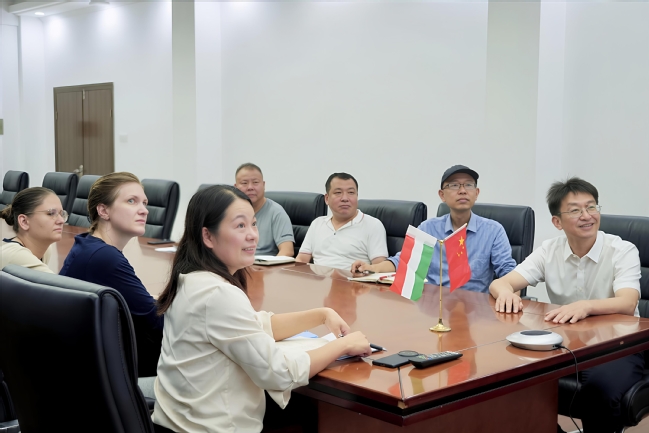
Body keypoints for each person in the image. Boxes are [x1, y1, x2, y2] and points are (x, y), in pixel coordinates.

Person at [153, 185, 370, 433]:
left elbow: (256, 325)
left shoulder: (191, 279)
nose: (253, 235)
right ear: (208, 236)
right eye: (240, 226)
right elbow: (279, 373)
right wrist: (343, 345)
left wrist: (321, 315)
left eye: (253, 224)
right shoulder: (217, 294)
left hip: (176, 423)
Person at [489, 177, 644, 433]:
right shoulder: (549, 250)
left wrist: (586, 306)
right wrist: (506, 293)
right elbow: (501, 283)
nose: (587, 216)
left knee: (600, 387)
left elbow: (628, 303)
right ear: (557, 222)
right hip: (565, 344)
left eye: (591, 207)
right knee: (513, 379)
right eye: (575, 210)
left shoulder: (622, 250)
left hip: (618, 346)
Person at [59, 172, 163, 378]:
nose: (144, 210)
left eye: (144, 203)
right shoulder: (104, 257)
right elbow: (156, 321)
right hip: (100, 376)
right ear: (103, 210)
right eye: (131, 201)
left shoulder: (87, 244)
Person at [352, 165, 516, 293]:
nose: (462, 190)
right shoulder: (428, 228)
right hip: (432, 306)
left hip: (474, 309)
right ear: (442, 195)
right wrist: (372, 268)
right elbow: (402, 261)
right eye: (454, 185)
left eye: (468, 185)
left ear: (477, 193)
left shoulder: (493, 231)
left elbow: (509, 273)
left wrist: (510, 297)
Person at [296, 172, 388, 270]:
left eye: (351, 193)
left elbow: (379, 268)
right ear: (327, 199)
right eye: (338, 193)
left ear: (357, 196)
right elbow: (301, 260)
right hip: (317, 278)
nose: (345, 198)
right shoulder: (317, 223)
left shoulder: (373, 225)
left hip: (352, 279)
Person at [234, 163, 295, 256]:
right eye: (244, 183)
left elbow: (287, 251)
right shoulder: (229, 212)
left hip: (264, 263)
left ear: (263, 185)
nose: (250, 187)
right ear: (235, 187)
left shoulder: (276, 212)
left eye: (255, 182)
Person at [1, 187, 66, 273]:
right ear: (24, 222)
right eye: (51, 213)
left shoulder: (45, 249)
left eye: (62, 214)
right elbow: (56, 281)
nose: (61, 221)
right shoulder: (15, 255)